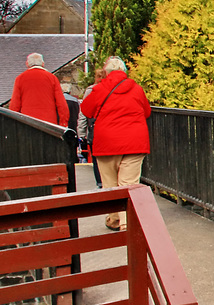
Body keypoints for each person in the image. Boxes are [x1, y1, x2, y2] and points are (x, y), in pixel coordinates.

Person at [81, 56, 151, 231]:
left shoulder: (99, 89)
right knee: (129, 183)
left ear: (106, 72)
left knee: (110, 185)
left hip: (106, 142)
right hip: (135, 141)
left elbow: (86, 110)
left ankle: (115, 220)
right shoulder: (136, 88)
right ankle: (126, 223)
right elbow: (146, 111)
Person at [10, 53, 70, 127]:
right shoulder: (52, 78)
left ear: (27, 64)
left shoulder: (20, 79)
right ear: (43, 64)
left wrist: (12, 123)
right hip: (49, 123)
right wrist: (63, 123)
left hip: (27, 122)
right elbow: (61, 104)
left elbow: (14, 105)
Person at [77, 67, 107, 189]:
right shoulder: (109, 89)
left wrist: (81, 132)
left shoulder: (91, 90)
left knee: (95, 157)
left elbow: (83, 112)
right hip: (104, 127)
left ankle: (100, 183)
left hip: (94, 128)